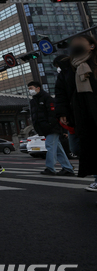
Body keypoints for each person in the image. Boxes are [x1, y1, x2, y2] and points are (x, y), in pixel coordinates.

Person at [55, 37, 97, 192]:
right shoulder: (67, 66)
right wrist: (62, 112)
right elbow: (60, 92)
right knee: (77, 147)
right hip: (78, 114)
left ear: (92, 46)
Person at [29, 80, 74, 176]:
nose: (30, 90)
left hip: (52, 128)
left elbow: (52, 113)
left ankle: (50, 168)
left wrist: (49, 125)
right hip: (45, 128)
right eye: (28, 89)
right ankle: (68, 168)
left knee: (49, 146)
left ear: (38, 88)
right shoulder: (33, 101)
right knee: (57, 149)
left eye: (31, 88)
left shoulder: (47, 98)